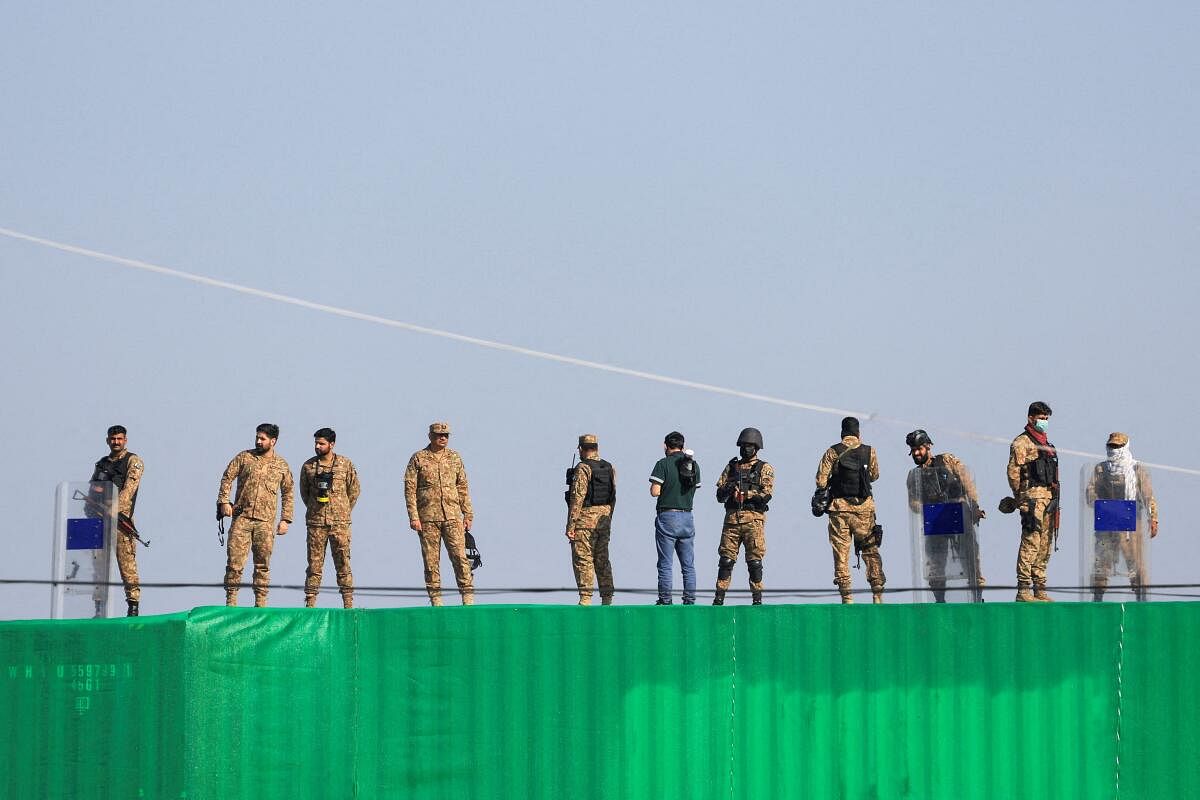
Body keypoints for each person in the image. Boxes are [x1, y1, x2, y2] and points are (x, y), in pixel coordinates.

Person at [217, 423, 294, 607]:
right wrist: (224, 501)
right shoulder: (245, 457)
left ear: (273, 441)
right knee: (234, 563)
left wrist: (285, 519)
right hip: (241, 518)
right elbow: (227, 477)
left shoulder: (281, 465)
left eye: (263, 439)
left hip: (265, 522)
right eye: (257, 437)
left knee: (262, 565)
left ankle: (260, 603)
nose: (258, 441)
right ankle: (231, 602)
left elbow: (288, 492)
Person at [905, 429, 986, 603]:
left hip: (958, 514)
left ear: (928, 447)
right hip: (935, 521)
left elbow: (966, 481)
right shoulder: (914, 476)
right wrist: (928, 508)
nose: (917, 453)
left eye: (919, 448)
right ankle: (939, 600)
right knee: (935, 565)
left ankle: (977, 597)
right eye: (913, 450)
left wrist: (974, 506)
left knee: (971, 558)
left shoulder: (947, 461)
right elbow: (913, 502)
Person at [405, 422, 475, 607]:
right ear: (430, 436)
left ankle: (467, 596)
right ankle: (436, 600)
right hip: (427, 517)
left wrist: (467, 514)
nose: (442, 438)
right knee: (431, 560)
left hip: (452, 516)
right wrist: (413, 516)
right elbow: (410, 489)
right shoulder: (418, 458)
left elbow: (463, 487)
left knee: (460, 557)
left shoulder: (454, 457)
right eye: (438, 435)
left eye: (445, 435)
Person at [816, 417, 883, 604]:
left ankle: (847, 598)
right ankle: (877, 595)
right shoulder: (870, 451)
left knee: (841, 553)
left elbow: (820, 481)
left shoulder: (833, 451)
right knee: (870, 550)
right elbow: (874, 476)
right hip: (864, 510)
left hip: (839, 510)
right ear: (858, 433)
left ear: (842, 433)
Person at [1086, 432, 1158, 602]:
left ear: (1125, 447)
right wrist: (1103, 505)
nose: (1114, 450)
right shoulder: (1101, 469)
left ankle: (1141, 598)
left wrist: (1153, 518)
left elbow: (1148, 496)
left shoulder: (1136, 469)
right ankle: (1097, 598)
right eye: (1111, 446)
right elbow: (1090, 493)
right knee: (1101, 562)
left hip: (1130, 521)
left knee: (1135, 561)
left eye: (1117, 446)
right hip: (1107, 520)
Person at [299, 428, 361, 609]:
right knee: (314, 565)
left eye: (321, 443)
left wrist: (343, 510)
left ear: (331, 445)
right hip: (316, 523)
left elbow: (354, 490)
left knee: (343, 563)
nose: (317, 447)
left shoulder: (345, 464)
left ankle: (348, 604)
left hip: (340, 523)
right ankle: (310, 604)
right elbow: (305, 494)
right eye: (316, 443)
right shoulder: (308, 466)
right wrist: (315, 509)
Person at [712, 427, 774, 606]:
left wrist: (747, 494)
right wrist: (729, 488)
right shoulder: (732, 467)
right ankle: (719, 596)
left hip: (753, 520)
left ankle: (757, 597)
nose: (745, 449)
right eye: (743, 445)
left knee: (754, 561)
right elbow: (719, 495)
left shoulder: (764, 468)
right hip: (732, 519)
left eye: (749, 446)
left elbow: (767, 494)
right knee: (726, 560)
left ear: (756, 447)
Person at [90, 425, 145, 616]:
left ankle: (133, 605)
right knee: (98, 565)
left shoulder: (133, 461)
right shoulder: (102, 464)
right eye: (113, 439)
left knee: (127, 565)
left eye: (119, 439)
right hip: (99, 521)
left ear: (125, 440)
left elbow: (129, 490)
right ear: (108, 440)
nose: (116, 442)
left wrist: (113, 510)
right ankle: (98, 607)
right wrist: (91, 509)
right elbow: (92, 488)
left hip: (120, 522)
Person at [1006, 401, 1059, 602]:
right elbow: (1013, 472)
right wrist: (1021, 497)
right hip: (1032, 499)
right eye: (1041, 418)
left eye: (1046, 419)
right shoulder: (1022, 442)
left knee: (1045, 544)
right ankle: (1024, 589)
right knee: (1031, 542)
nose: (1044, 422)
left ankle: (1040, 587)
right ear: (1031, 418)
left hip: (1048, 499)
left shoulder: (1047, 444)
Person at [649, 431, 700, 605]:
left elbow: (655, 491)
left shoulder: (662, 464)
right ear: (683, 446)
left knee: (665, 563)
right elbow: (694, 488)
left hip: (667, 516)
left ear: (665, 446)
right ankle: (690, 600)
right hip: (687, 516)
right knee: (688, 565)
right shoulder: (693, 465)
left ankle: (665, 600)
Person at [565, 434, 616, 606]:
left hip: (585, 521)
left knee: (583, 558)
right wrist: (608, 518)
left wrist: (571, 525)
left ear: (581, 449)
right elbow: (613, 496)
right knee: (602, 558)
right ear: (596, 448)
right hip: (604, 519)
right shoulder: (609, 467)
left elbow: (577, 498)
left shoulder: (583, 468)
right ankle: (607, 598)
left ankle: (585, 598)